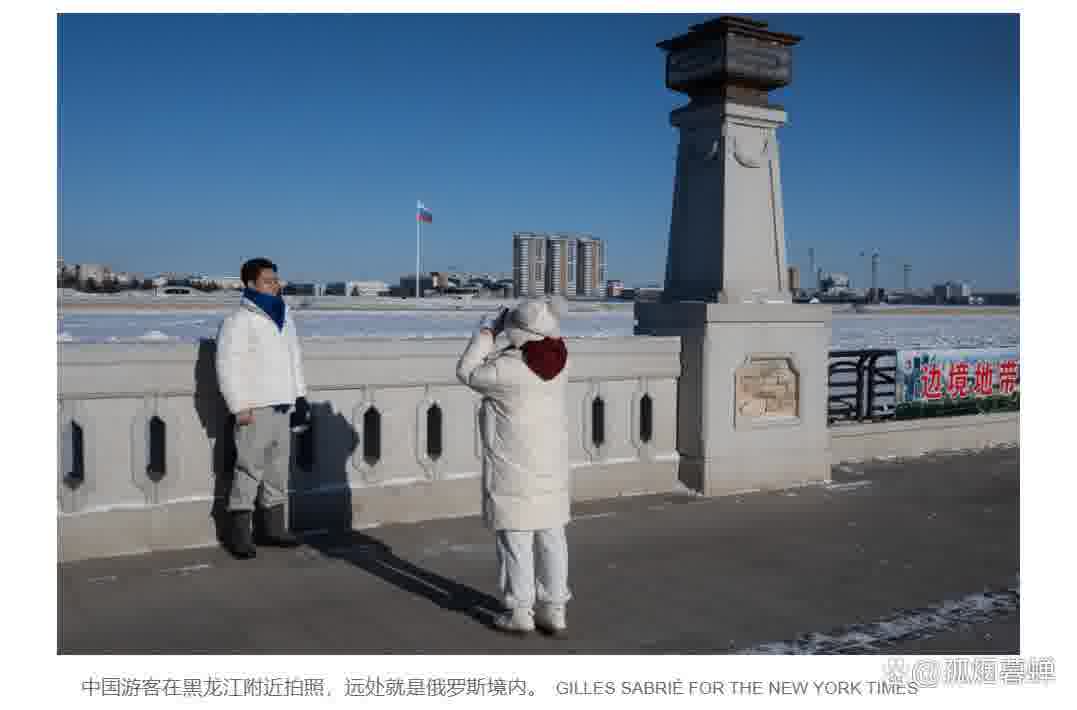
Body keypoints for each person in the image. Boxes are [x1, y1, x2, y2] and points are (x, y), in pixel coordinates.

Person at [456, 296, 572, 635]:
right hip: (550, 465)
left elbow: (466, 371)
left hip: (513, 466)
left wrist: (486, 333)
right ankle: (555, 609)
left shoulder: (505, 369)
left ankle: (520, 611)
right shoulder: (563, 361)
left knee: (516, 538)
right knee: (552, 536)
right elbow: (544, 344)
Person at [215, 257, 310, 559]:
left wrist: (300, 397)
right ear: (250, 284)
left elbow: (294, 359)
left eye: (275, 280)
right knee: (248, 469)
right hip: (255, 407)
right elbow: (227, 366)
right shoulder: (238, 321)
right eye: (268, 281)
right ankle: (239, 535)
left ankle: (274, 529)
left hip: (283, 404)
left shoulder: (284, 316)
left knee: (278, 470)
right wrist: (239, 406)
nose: (275, 285)